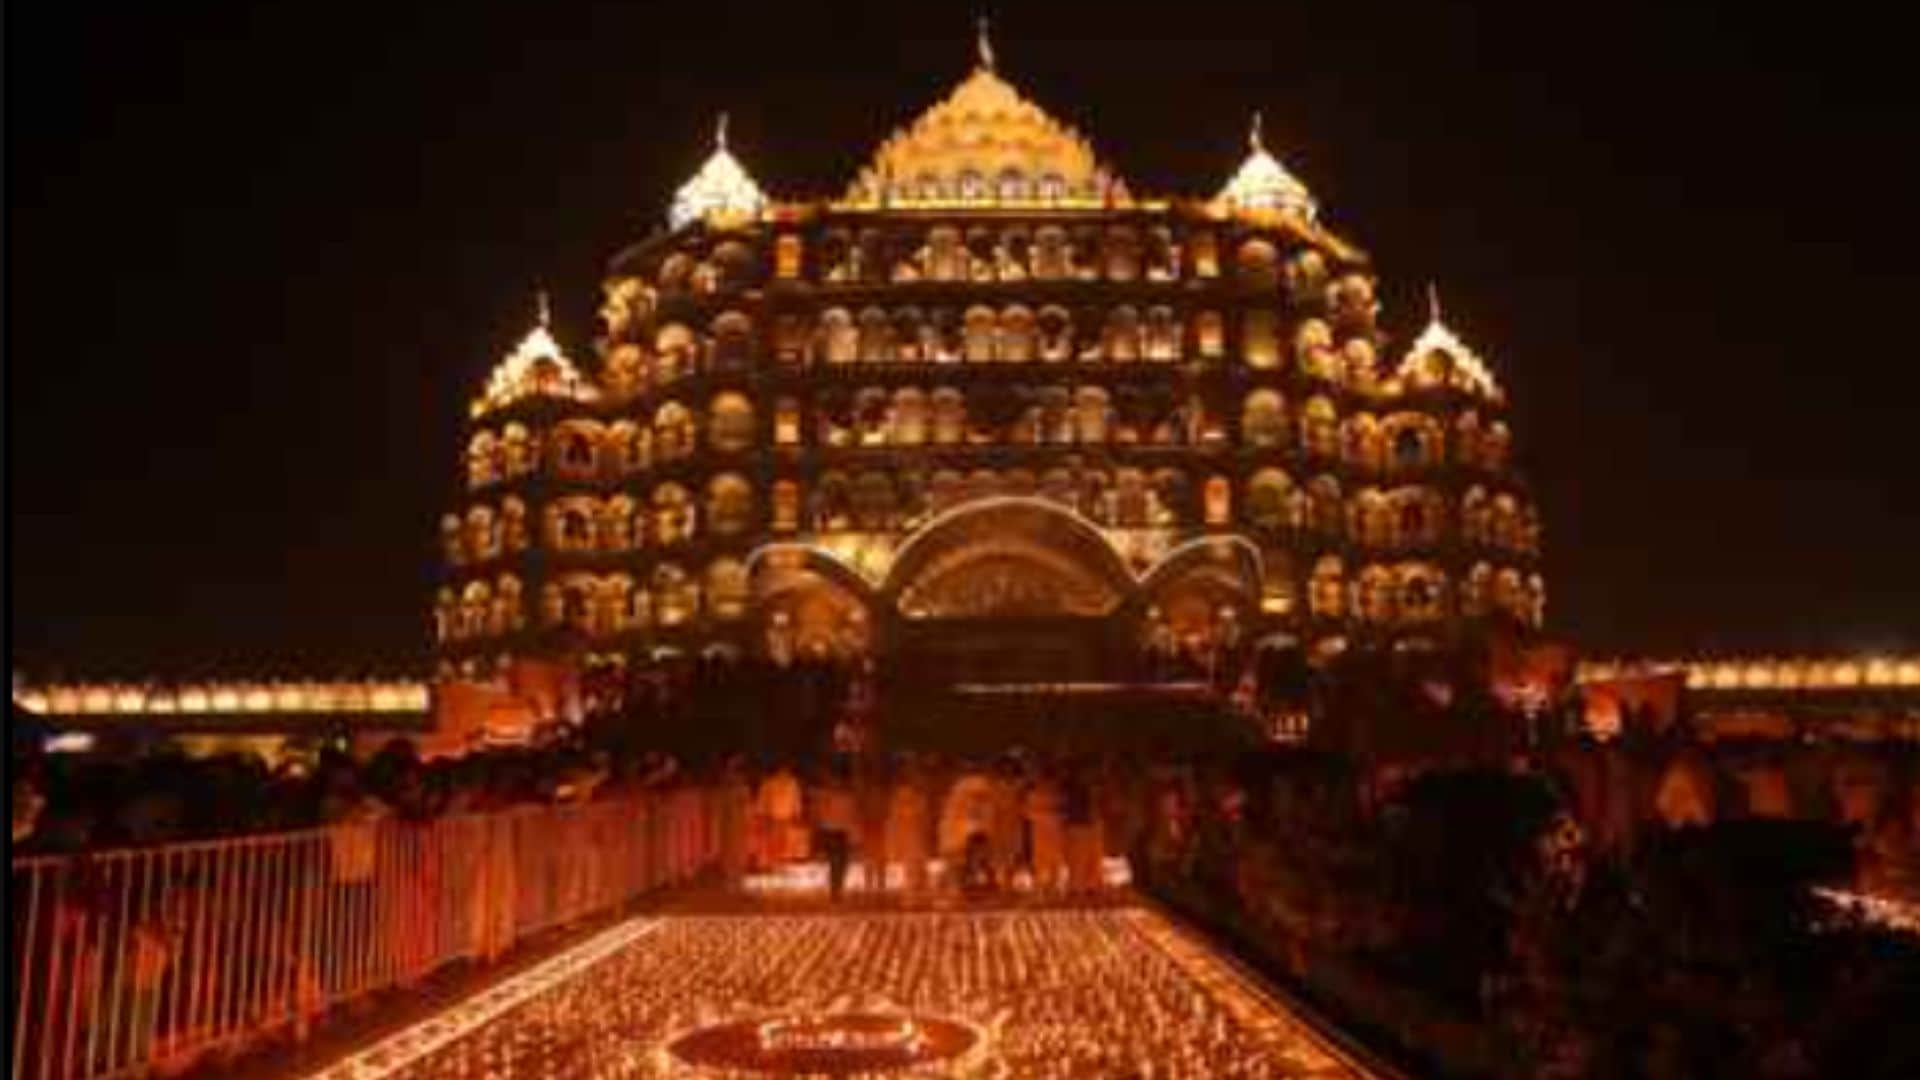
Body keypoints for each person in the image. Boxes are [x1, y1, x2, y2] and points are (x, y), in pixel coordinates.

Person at [813, 765, 857, 901]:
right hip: (831, 831)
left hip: (843, 831)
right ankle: (835, 891)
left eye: (838, 780)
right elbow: (821, 813)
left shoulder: (848, 796)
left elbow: (852, 815)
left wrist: (854, 832)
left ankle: (839, 888)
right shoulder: (826, 796)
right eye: (833, 780)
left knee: (843, 863)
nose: (835, 783)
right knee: (834, 862)